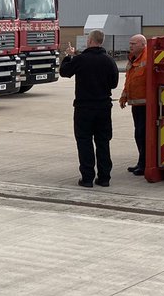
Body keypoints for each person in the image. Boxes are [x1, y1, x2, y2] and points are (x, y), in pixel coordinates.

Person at [60, 29, 119, 187]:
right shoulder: (109, 60)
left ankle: (87, 178)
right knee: (103, 142)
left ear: (91, 41)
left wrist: (68, 56)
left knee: (84, 141)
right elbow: (114, 83)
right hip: (103, 107)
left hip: (84, 107)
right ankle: (104, 177)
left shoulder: (81, 59)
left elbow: (64, 72)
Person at [119, 33, 148, 175]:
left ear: (143, 45)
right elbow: (130, 79)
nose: (130, 46)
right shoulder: (133, 59)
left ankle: (144, 164)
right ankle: (141, 162)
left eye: (134, 44)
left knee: (143, 134)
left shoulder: (148, 58)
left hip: (146, 105)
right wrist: (124, 95)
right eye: (130, 43)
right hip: (136, 104)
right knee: (139, 134)